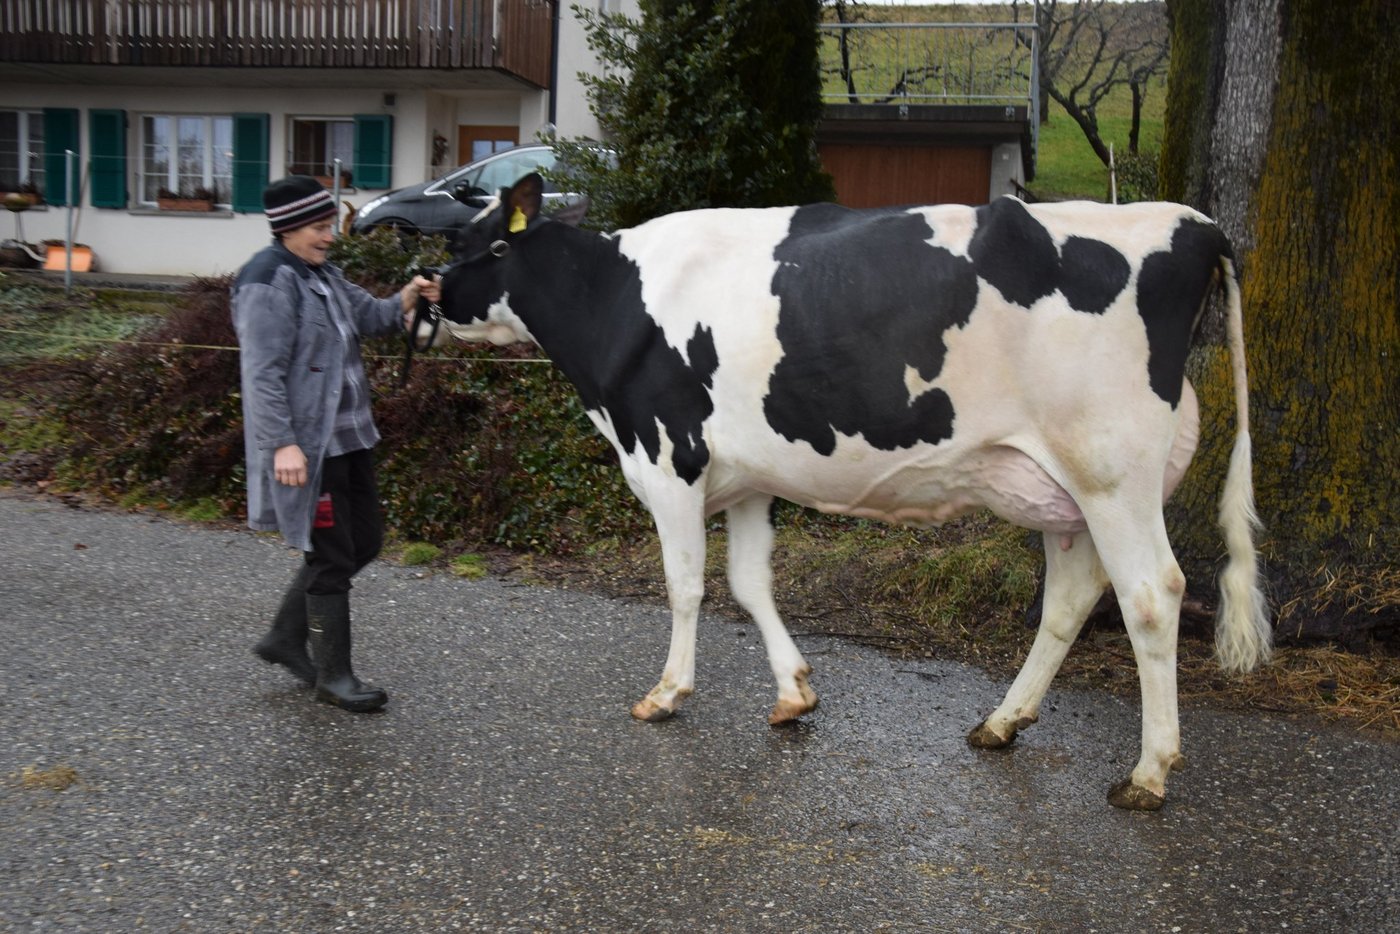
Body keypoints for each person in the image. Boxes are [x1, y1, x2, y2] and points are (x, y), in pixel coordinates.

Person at [231, 175, 440, 713]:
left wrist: (410, 296)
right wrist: (282, 444)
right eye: (320, 227)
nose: (330, 236)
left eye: (329, 225)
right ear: (289, 227)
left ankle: (283, 637)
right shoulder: (267, 281)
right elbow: (261, 374)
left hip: (351, 438)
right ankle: (334, 676)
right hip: (310, 449)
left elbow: (373, 317)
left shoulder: (321, 273)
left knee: (363, 542)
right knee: (330, 557)